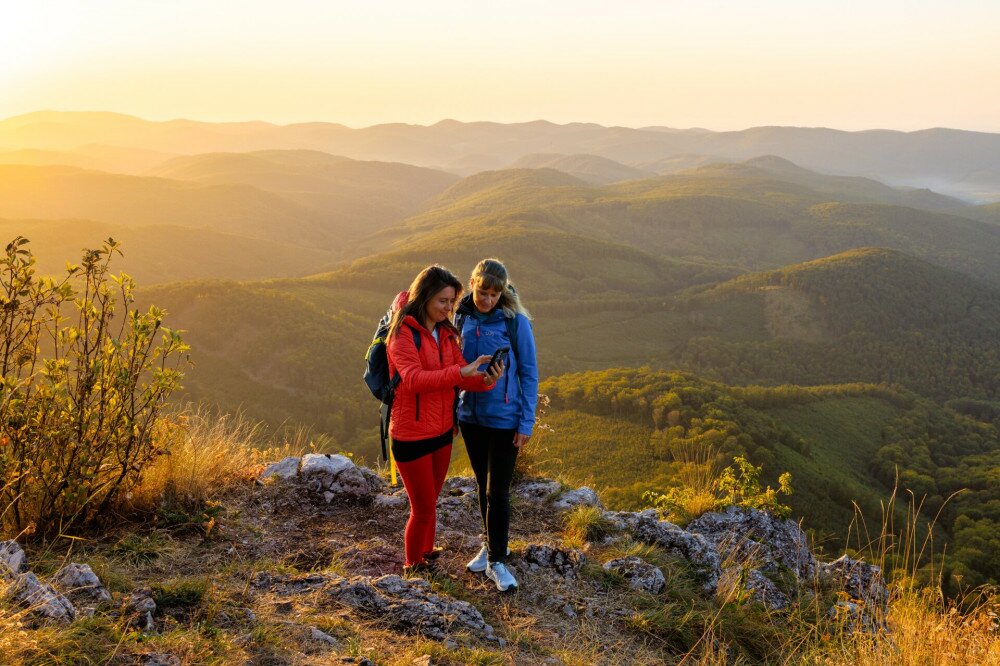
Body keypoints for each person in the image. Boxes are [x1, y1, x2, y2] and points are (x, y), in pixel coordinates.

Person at [386, 265, 501, 574]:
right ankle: (413, 567)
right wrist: (460, 372)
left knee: (431, 502)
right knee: (421, 509)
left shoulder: (447, 333)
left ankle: (425, 552)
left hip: (441, 431)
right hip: (411, 434)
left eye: (452, 301)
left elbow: (462, 375)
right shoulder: (402, 334)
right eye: (442, 301)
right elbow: (413, 379)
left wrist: (486, 380)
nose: (449, 308)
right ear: (424, 297)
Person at [457, 258, 539, 592]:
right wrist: (452, 411)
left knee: (498, 491)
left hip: (505, 419)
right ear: (473, 282)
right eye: (483, 292)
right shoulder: (460, 316)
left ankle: (497, 561)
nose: (487, 299)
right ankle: (491, 545)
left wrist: (526, 421)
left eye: (494, 294)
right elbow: (453, 366)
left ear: (501, 292)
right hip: (470, 418)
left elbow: (529, 372)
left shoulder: (513, 320)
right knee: (481, 486)